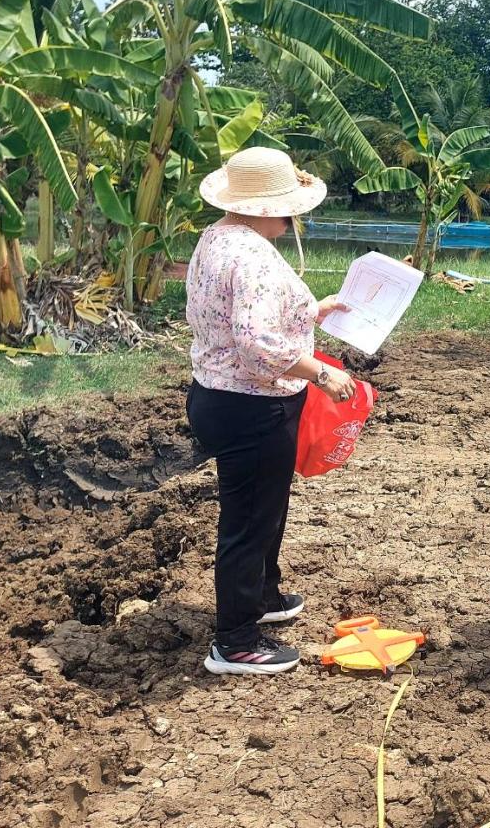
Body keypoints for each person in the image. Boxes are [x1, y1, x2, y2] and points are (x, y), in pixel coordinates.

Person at [186, 146, 356, 676]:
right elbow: (257, 344)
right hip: (250, 403)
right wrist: (324, 375)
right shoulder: (253, 256)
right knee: (250, 519)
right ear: (267, 209)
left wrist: (314, 308)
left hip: (222, 394)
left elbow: (239, 311)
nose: (294, 216)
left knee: (265, 508)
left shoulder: (219, 237)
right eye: (289, 207)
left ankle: (263, 592)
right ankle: (234, 641)